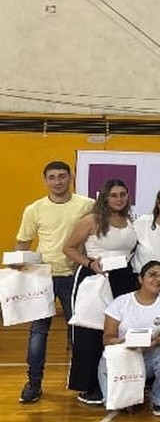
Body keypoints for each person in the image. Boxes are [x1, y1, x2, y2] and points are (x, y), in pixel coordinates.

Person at [14, 160, 94, 404]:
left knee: (78, 333)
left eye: (62, 176)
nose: (58, 181)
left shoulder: (87, 205)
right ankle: (34, 383)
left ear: (71, 177)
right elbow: (22, 243)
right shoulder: (34, 209)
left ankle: (82, 381)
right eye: (52, 177)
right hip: (42, 278)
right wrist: (19, 272)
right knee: (38, 332)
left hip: (75, 277)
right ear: (45, 180)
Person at [63, 179, 138, 405]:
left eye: (123, 194)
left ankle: (115, 379)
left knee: (118, 330)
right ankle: (88, 386)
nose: (119, 199)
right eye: (114, 195)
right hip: (95, 279)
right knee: (91, 333)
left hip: (123, 279)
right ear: (104, 197)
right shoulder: (92, 220)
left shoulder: (130, 220)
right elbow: (67, 248)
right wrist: (89, 263)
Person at [98, 260, 160, 416]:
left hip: (149, 356)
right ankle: (130, 392)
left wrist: (155, 342)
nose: (158, 279)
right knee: (115, 403)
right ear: (141, 279)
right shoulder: (121, 302)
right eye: (152, 275)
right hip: (123, 358)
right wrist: (124, 342)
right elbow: (107, 338)